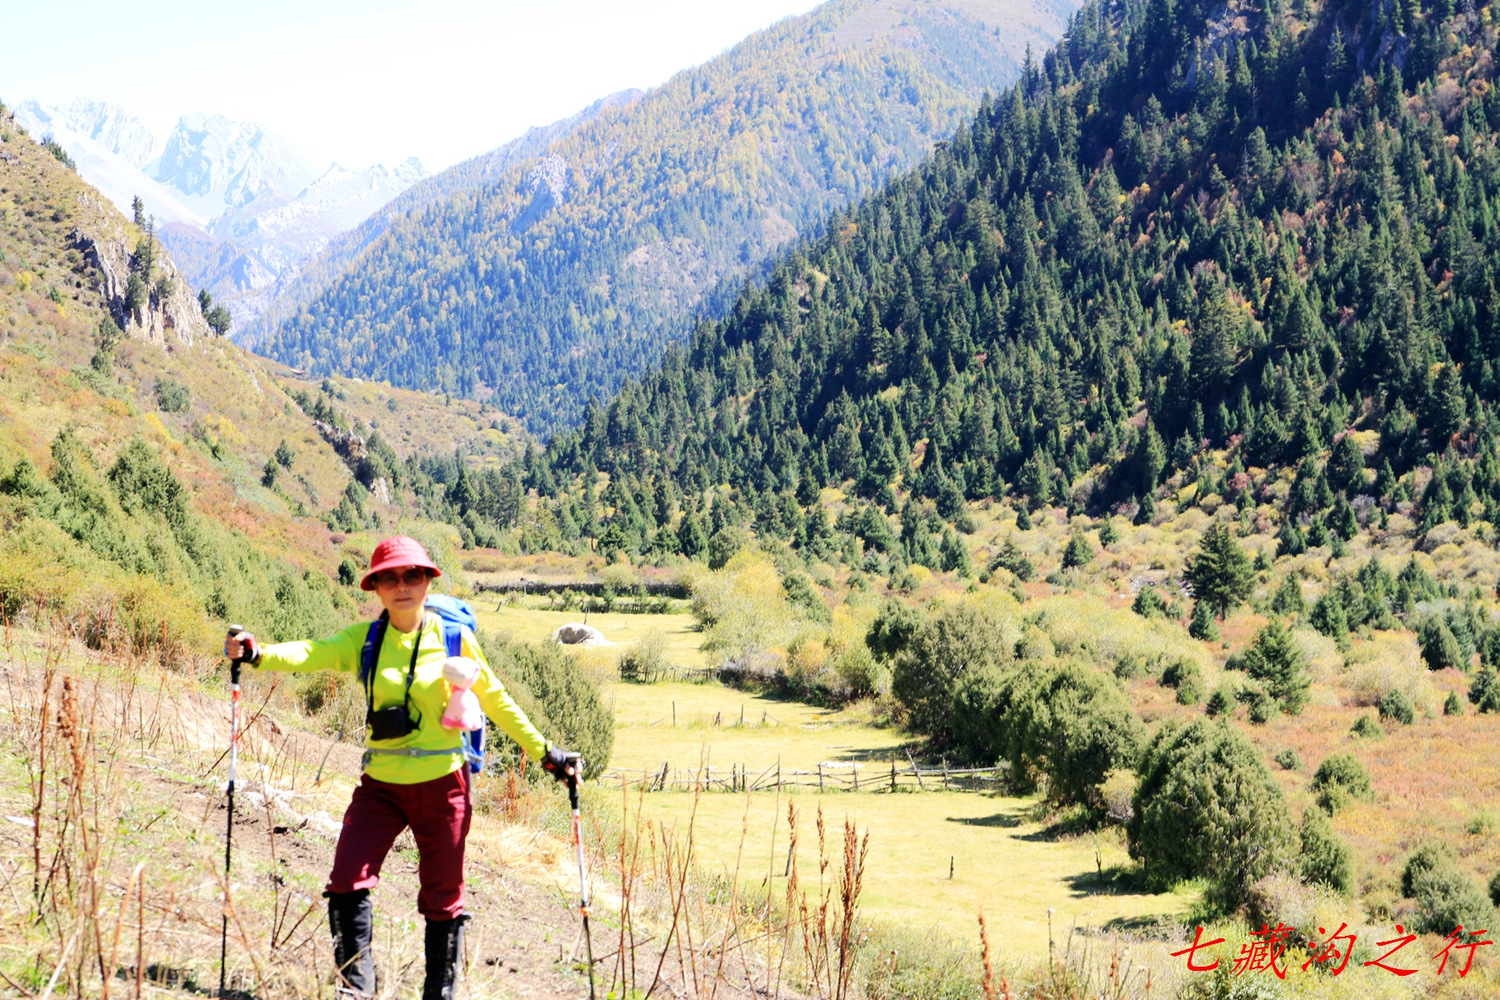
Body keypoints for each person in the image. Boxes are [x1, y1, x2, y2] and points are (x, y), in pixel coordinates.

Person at [224, 535, 572, 1000]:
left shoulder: (453, 639)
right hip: (380, 787)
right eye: (389, 578)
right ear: (375, 587)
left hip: (444, 786)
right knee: (346, 882)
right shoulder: (364, 640)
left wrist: (545, 752)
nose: (402, 585)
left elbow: (495, 698)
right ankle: (356, 989)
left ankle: (438, 994)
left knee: (443, 899)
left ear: (428, 581)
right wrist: (257, 652)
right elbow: (312, 652)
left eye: (412, 575)